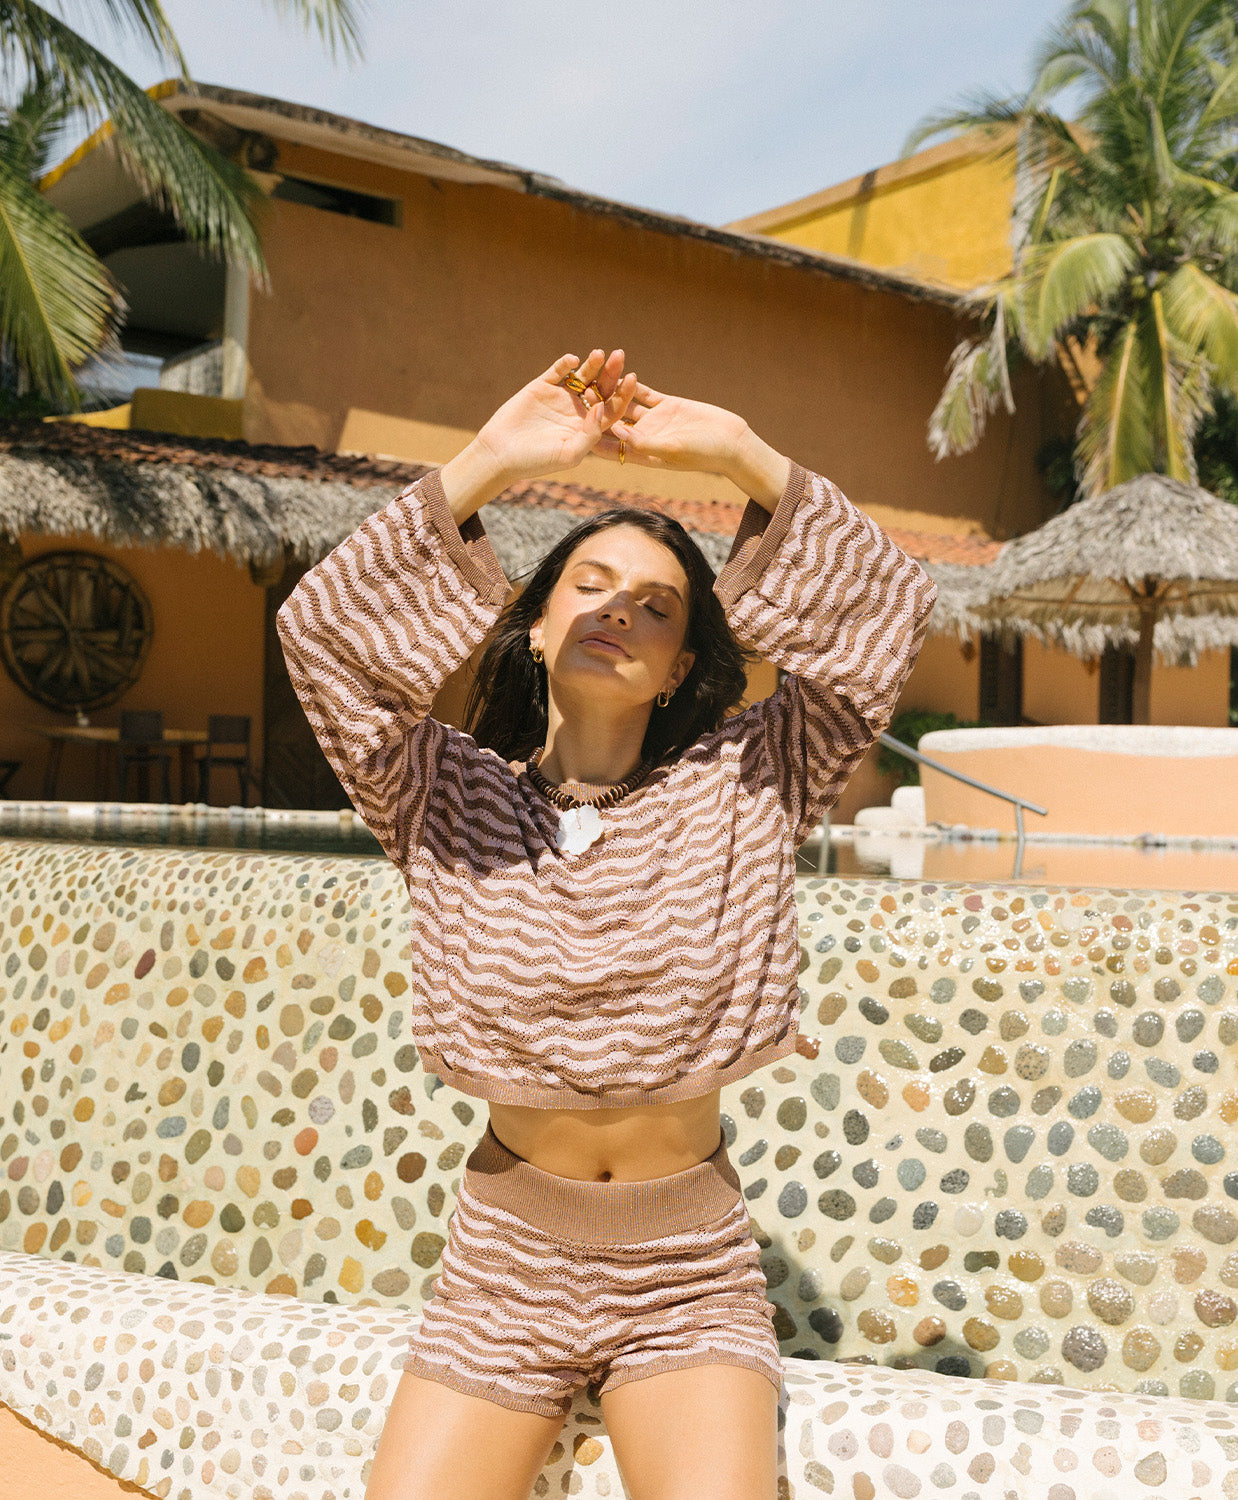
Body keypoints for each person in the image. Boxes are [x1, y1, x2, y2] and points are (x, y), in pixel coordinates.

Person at [277, 348, 937, 1500]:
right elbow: (320, 638)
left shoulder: (755, 775)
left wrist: (732, 450)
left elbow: (889, 606)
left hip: (683, 1269)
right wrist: (491, 461)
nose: (616, 608)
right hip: (502, 1263)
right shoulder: (442, 795)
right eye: (587, 583)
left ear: (682, 662)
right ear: (532, 625)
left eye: (654, 603)